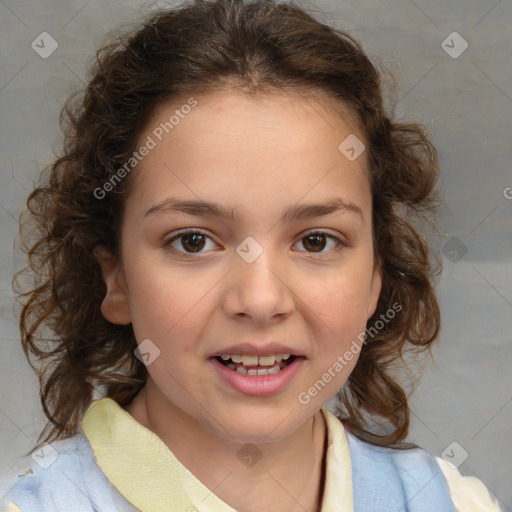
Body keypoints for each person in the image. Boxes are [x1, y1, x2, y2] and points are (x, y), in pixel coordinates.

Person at [0, 0, 503, 511]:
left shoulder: (453, 501)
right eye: (193, 241)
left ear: (377, 273)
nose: (260, 300)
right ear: (117, 279)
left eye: (316, 240)